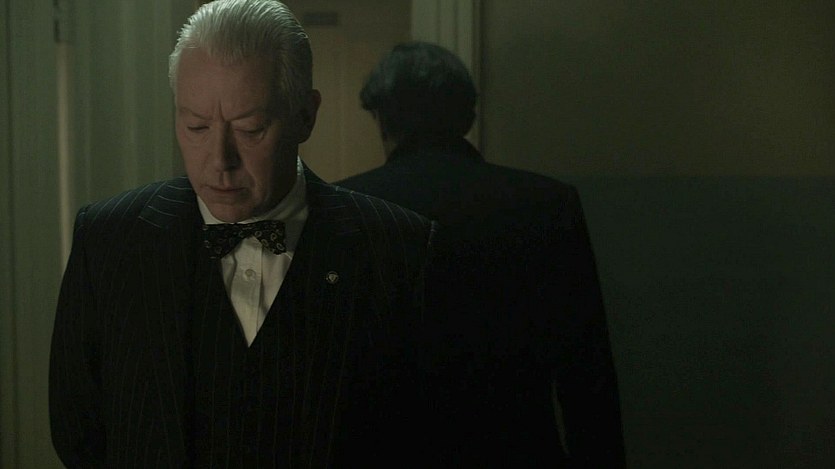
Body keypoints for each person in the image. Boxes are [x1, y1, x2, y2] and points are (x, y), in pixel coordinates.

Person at [48, 2, 436, 467]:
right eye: (196, 126)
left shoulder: (397, 248)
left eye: (250, 129)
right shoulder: (109, 240)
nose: (220, 160)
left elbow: (422, 437)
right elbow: (78, 432)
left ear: (305, 116)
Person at [337, 41, 626, 467]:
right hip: (519, 450)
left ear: (382, 119)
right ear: (468, 117)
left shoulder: (346, 210)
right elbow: (586, 369)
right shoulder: (546, 204)